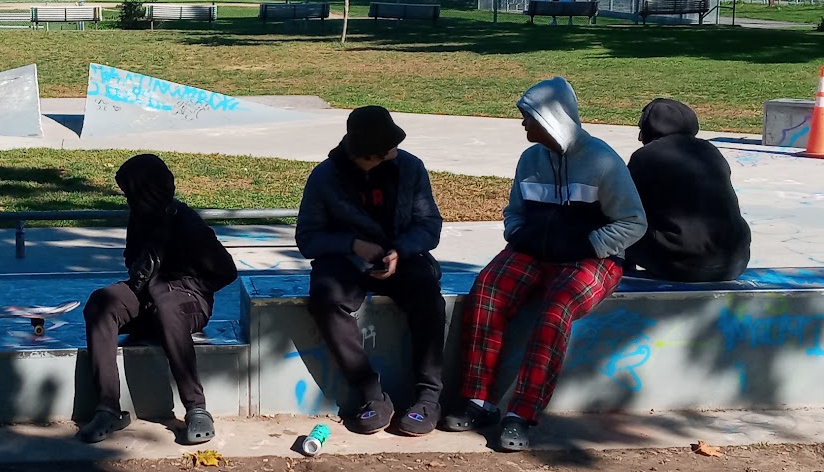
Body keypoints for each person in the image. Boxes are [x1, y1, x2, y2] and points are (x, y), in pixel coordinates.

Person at [444, 77, 646, 451]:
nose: (523, 124)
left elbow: (634, 222)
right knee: (487, 290)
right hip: (533, 251)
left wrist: (591, 243)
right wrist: (519, 235)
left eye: (528, 117)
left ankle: (521, 414)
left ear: (552, 119)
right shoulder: (530, 159)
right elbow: (514, 211)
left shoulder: (603, 162)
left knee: (555, 311)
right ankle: (478, 400)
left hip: (591, 257)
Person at [295, 105, 449, 436]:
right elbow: (308, 238)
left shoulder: (410, 168)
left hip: (402, 256)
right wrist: (353, 245)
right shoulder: (325, 177)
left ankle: (428, 397)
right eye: (385, 152)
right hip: (345, 261)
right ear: (363, 157)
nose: (394, 154)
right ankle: (370, 395)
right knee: (325, 297)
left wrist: (400, 250)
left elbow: (429, 225)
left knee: (428, 296)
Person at [77, 154, 239, 446]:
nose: (128, 200)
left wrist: (183, 286)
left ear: (147, 190)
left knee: (168, 306)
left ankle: (196, 408)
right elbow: (131, 256)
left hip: (189, 301)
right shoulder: (140, 216)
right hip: (147, 294)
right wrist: (141, 270)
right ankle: (108, 408)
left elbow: (226, 272)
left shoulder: (186, 223)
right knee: (102, 302)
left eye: (131, 193)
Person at [626, 97, 752, 283]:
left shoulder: (645, 157)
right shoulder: (710, 151)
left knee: (615, 222)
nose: (639, 138)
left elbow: (626, 209)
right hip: (735, 261)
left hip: (684, 265)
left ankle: (621, 277)